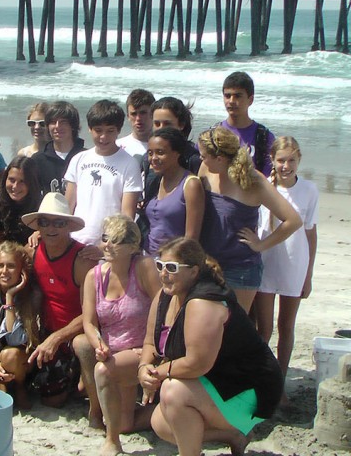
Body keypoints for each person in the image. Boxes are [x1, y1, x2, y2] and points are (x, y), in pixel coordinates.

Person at [139, 238, 282, 456]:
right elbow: (150, 341)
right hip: (215, 380)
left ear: (194, 272)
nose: (163, 274)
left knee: (172, 391)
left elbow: (197, 363)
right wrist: (143, 369)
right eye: (160, 265)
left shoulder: (204, 302)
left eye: (171, 268)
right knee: (160, 424)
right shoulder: (165, 295)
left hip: (249, 388)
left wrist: (157, 375)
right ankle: (233, 436)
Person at [196, 127, 301, 311]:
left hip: (240, 269)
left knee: (234, 327)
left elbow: (293, 220)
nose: (200, 159)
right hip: (207, 263)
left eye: (203, 155)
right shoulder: (205, 168)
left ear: (219, 159)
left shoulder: (253, 180)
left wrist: (261, 245)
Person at [81, 216, 159, 454]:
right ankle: (164, 412)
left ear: (133, 246)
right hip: (115, 352)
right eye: (105, 239)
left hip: (141, 350)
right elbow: (88, 321)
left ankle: (111, 442)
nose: (108, 246)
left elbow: (164, 308)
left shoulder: (144, 267)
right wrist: (98, 343)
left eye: (116, 241)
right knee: (125, 423)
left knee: (102, 370)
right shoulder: (93, 276)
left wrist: (149, 348)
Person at [253, 137, 318, 401]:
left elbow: (310, 232)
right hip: (267, 262)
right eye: (281, 160)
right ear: (272, 160)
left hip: (295, 262)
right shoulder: (263, 187)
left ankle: (280, 380)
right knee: (264, 328)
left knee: (287, 326)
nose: (286, 165)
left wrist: (309, 274)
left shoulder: (310, 190)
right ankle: (262, 379)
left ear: (299, 160)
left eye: (291, 160)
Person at [22, 192, 98, 407]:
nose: (51, 228)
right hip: (46, 332)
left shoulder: (83, 260)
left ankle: (85, 386)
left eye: (59, 222)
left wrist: (56, 338)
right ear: (38, 226)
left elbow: (91, 314)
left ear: (68, 226)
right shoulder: (32, 251)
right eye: (45, 222)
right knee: (51, 400)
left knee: (81, 346)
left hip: (74, 334)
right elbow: (5, 267)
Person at [64, 100, 142, 246]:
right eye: (98, 130)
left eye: (110, 131)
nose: (103, 137)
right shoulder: (78, 159)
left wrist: (106, 246)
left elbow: (127, 216)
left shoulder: (129, 164)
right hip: (74, 241)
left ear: (118, 130)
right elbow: (68, 205)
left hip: (109, 245)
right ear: (90, 129)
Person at [0, 242, 41, 408]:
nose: (4, 271)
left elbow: (14, 339)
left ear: (22, 270)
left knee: (10, 355)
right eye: (0, 266)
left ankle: (20, 386)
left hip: (18, 359)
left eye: (11, 266)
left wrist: (10, 298)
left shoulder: (32, 296)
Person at [143, 127, 205, 256]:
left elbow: (191, 238)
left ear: (177, 153)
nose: (153, 158)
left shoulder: (191, 184)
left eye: (160, 152)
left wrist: (174, 264)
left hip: (173, 262)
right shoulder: (155, 181)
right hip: (148, 258)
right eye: (150, 153)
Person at [218, 71, 275, 176]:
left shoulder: (264, 137)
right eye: (227, 96)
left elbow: (270, 179)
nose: (231, 101)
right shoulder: (213, 134)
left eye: (237, 96)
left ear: (251, 99)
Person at [31, 100, 86, 195]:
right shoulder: (38, 160)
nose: (57, 126)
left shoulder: (86, 157)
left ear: (73, 126)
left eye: (63, 122)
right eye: (52, 122)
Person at [0, 154, 42, 247]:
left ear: (32, 183)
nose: (15, 186)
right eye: (12, 180)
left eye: (22, 181)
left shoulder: (43, 205)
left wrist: (40, 232)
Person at [116, 89, 155, 163]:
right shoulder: (117, 147)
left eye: (143, 113)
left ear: (153, 114)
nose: (138, 118)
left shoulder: (164, 147)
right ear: (128, 116)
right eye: (134, 114)